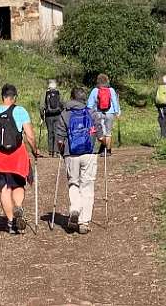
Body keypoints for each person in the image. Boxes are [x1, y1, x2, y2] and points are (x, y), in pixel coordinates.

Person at [0, 83, 36, 234]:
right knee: (18, 185)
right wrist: (35, 150)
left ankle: (11, 223)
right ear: (15, 97)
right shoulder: (21, 111)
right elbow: (30, 136)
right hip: (17, 156)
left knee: (4, 189)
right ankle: (18, 206)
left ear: (2, 96)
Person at [61, 85, 100, 234]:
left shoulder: (65, 114)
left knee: (73, 183)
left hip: (71, 154)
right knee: (87, 185)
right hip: (89, 153)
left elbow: (59, 139)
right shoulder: (92, 113)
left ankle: (75, 209)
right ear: (85, 98)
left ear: (71, 97)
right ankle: (84, 222)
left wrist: (62, 152)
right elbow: (101, 135)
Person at [87, 74, 121, 154]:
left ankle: (103, 148)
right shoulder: (111, 90)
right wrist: (117, 112)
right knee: (108, 133)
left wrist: (88, 113)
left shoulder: (95, 90)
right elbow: (115, 102)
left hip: (98, 113)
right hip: (110, 113)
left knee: (100, 132)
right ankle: (108, 151)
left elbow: (89, 105)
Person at [43, 79, 67, 156]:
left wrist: (42, 116)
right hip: (57, 115)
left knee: (50, 132)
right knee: (56, 132)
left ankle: (50, 151)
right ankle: (56, 151)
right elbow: (63, 103)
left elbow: (41, 106)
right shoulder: (59, 93)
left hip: (48, 116)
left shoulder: (45, 93)